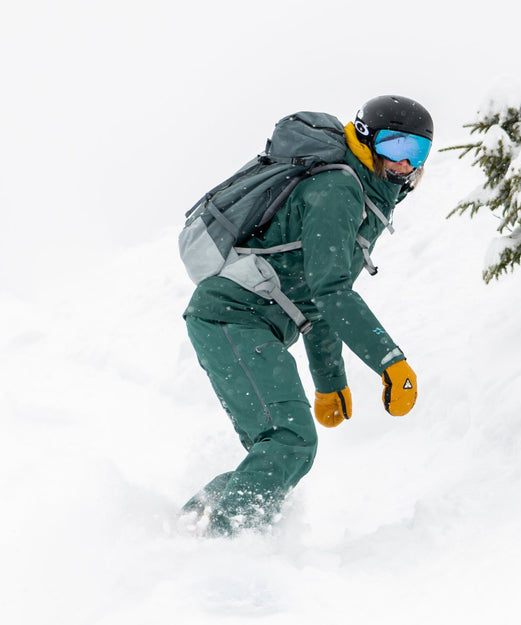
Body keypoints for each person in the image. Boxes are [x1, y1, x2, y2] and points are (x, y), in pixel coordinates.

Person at [180, 95, 434, 536]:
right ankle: (220, 545)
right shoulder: (339, 190)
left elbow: (314, 299)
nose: (405, 164)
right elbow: (331, 292)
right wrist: (390, 361)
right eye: (396, 147)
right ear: (369, 140)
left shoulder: (360, 194)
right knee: (290, 442)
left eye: (418, 151)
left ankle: (194, 523)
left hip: (246, 320)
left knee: (281, 449)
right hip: (231, 316)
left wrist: (330, 382)